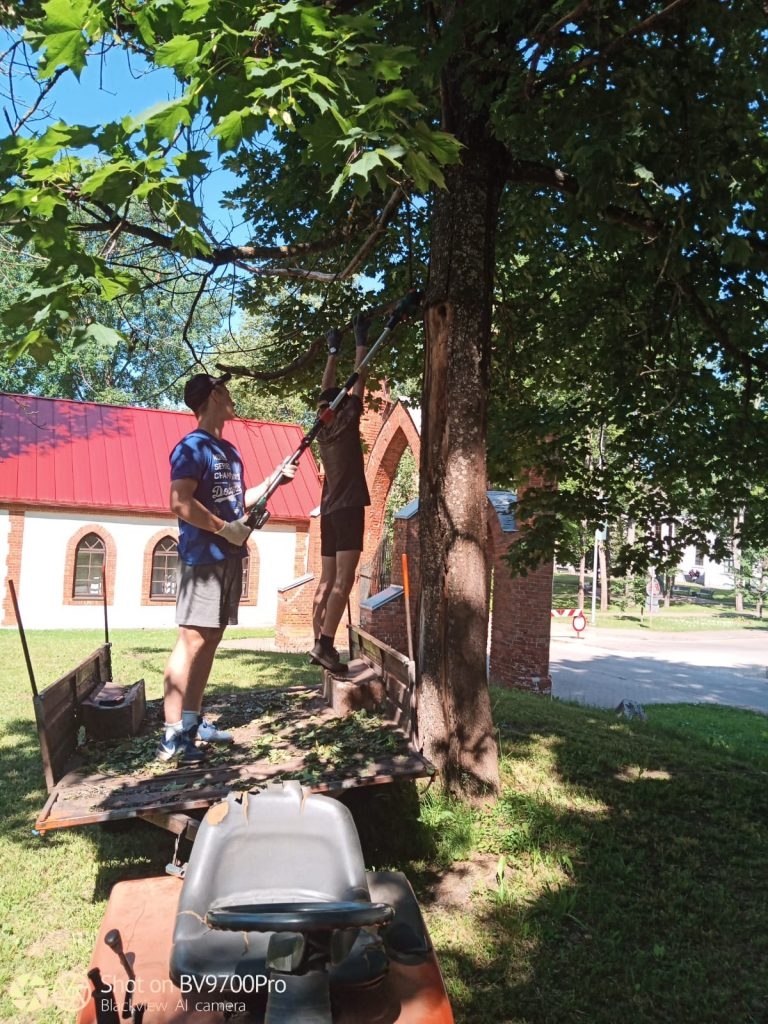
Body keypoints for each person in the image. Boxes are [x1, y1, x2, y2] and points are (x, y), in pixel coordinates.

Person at [157, 372, 296, 764]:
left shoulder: (229, 451)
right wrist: (224, 529)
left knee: (209, 641)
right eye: (227, 391)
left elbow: (239, 500)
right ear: (215, 394)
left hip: (228, 558)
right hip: (202, 560)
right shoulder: (191, 447)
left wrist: (274, 480)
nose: (232, 397)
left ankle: (191, 720)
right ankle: (172, 737)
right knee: (191, 640)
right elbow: (180, 502)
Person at [310, 314, 371, 673]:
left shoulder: (322, 425)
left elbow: (326, 391)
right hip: (347, 507)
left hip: (331, 507)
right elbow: (360, 380)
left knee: (327, 579)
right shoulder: (347, 422)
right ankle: (326, 646)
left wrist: (333, 352)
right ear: (341, 407)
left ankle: (319, 637)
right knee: (345, 580)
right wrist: (361, 341)